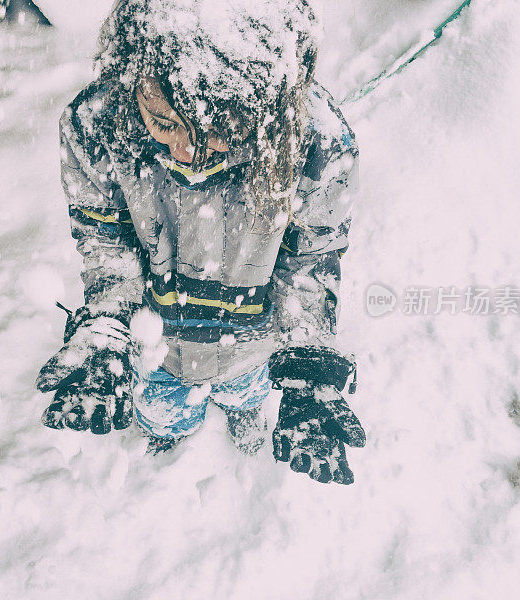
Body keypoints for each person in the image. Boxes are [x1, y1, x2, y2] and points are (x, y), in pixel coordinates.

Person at [36, 0, 366, 484]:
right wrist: (110, 321)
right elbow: (103, 237)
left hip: (253, 341)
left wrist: (306, 362)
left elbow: (312, 260)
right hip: (158, 343)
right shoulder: (98, 126)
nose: (187, 152)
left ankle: (243, 409)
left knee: (245, 389)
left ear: (261, 106)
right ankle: (168, 431)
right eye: (164, 123)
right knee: (163, 409)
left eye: (217, 131)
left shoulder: (317, 145)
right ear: (132, 80)